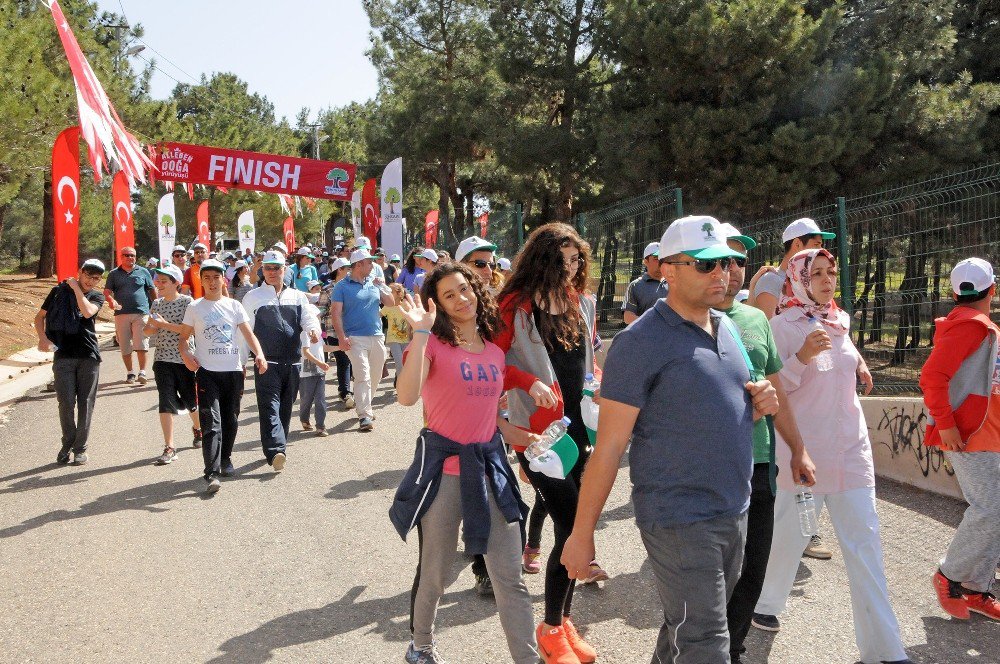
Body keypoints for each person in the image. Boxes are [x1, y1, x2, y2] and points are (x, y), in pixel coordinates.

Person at [560, 216, 780, 664]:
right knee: (704, 640)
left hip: (733, 508)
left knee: (684, 628)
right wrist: (582, 535)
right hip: (679, 517)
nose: (722, 273)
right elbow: (608, 450)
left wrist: (759, 401)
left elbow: (711, 403)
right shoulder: (638, 343)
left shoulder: (730, 327)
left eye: (726, 262)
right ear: (668, 269)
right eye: (705, 265)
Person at [750, 248, 912, 664]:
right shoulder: (781, 327)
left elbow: (841, 351)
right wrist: (801, 357)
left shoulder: (840, 320)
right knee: (790, 535)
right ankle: (765, 603)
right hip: (803, 452)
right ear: (799, 279)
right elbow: (775, 389)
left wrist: (858, 363)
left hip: (852, 451)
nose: (826, 280)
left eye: (831, 273)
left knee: (866, 546)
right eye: (816, 273)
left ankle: (885, 651)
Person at [390, 262, 545, 664]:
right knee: (437, 574)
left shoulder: (494, 353)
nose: (461, 299)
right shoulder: (432, 346)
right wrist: (420, 331)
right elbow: (406, 397)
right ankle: (420, 644)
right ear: (436, 305)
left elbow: (490, 421)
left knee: (510, 578)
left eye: (464, 289)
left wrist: (526, 440)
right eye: (448, 295)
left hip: (490, 471)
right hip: (444, 476)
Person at [495, 222, 606, 664]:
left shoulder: (583, 303)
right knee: (570, 525)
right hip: (539, 438)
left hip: (581, 430)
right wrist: (527, 380)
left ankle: (561, 620)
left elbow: (585, 363)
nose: (570, 267)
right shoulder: (514, 307)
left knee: (576, 528)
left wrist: (598, 386)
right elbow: (489, 364)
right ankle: (552, 628)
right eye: (561, 260)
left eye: (576, 259)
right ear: (541, 260)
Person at [715, 224, 817, 664]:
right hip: (706, 471)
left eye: (740, 261)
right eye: (722, 259)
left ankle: (733, 649)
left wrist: (798, 449)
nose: (733, 270)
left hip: (758, 465)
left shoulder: (756, 320)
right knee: (708, 579)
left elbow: (776, 391)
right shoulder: (672, 324)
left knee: (752, 572)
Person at [747, 216, 836, 562]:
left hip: (805, 379)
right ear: (797, 245)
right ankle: (793, 533)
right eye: (814, 242)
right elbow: (764, 330)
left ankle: (799, 530)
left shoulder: (796, 280)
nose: (820, 252)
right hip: (780, 375)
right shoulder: (773, 279)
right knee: (786, 454)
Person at [921, 257, 1000, 622]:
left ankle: (975, 587)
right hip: (970, 435)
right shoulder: (969, 327)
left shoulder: (980, 328)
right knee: (990, 509)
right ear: (993, 290)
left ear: (955, 292)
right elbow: (932, 377)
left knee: (996, 512)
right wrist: (947, 425)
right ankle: (950, 575)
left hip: (988, 432)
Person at [179, 259, 267, 493]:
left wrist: (259, 354)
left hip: (233, 371)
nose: (211, 282)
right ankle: (212, 472)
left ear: (223, 280)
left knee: (231, 419)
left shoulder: (234, 306)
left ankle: (226, 458)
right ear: (201, 280)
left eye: (215, 277)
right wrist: (186, 354)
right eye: (206, 277)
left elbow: (249, 334)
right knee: (211, 422)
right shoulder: (195, 307)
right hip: (207, 372)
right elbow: (184, 339)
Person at [242, 250, 321, 471]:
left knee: (286, 408)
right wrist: (241, 363)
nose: (272, 272)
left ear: (284, 269)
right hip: (266, 363)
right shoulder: (253, 297)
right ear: (262, 270)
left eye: (277, 267)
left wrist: (313, 330)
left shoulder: (297, 296)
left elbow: (308, 319)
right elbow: (244, 331)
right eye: (268, 267)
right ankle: (276, 450)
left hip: (293, 363)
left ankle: (279, 445)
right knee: (269, 407)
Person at [35, 259, 107, 466]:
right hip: (63, 356)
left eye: (96, 278)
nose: (91, 281)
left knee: (86, 404)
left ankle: (80, 449)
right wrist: (42, 338)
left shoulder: (96, 295)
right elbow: (39, 317)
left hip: (88, 356)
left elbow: (87, 312)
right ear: (80, 272)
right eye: (88, 276)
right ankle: (67, 443)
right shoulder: (58, 292)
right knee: (65, 403)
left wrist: (76, 288)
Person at [143, 264, 202, 463]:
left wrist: (161, 324)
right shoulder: (156, 304)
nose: (158, 284)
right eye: (157, 280)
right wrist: (149, 326)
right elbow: (149, 331)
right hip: (162, 360)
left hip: (184, 359)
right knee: (165, 401)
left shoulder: (188, 302)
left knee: (190, 401)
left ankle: (198, 428)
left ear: (175, 283)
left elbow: (190, 331)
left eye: (163, 281)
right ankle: (169, 447)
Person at [331, 248, 394, 431]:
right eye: (369, 262)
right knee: (363, 375)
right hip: (354, 338)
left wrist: (382, 285)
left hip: (376, 336)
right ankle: (364, 415)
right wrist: (341, 338)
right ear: (359, 265)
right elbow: (335, 314)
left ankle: (365, 405)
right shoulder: (341, 286)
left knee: (375, 376)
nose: (373, 265)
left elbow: (391, 302)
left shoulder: (374, 282)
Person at [103, 246, 156, 385]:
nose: (129, 257)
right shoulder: (114, 273)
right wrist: (111, 300)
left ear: (135, 257)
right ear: (121, 257)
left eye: (132, 255)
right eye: (126, 255)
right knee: (125, 344)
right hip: (121, 314)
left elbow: (151, 291)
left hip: (141, 312)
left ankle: (142, 372)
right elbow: (107, 291)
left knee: (141, 343)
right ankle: (130, 373)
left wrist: (156, 307)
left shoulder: (144, 271)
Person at [326, 257, 355, 408]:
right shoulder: (328, 290)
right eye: (347, 268)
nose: (350, 271)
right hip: (333, 332)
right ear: (339, 270)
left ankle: (346, 390)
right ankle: (345, 392)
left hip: (351, 330)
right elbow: (321, 309)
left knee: (350, 360)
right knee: (343, 361)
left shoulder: (352, 286)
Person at [299, 303, 331, 437]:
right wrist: (320, 363)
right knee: (306, 399)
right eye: (317, 316)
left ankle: (320, 426)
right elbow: (306, 352)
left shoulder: (318, 333)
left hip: (320, 371)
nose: (318, 319)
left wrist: (341, 347)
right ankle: (304, 418)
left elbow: (324, 348)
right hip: (306, 372)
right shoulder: (304, 333)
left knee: (320, 399)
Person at [622, 241, 667, 325]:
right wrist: (651, 324)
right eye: (656, 259)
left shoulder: (673, 284)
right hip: (645, 337)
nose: (660, 263)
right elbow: (628, 317)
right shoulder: (635, 286)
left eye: (663, 259)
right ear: (645, 262)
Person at [382, 283, 412, 386]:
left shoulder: (406, 305)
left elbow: (412, 318)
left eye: (391, 292)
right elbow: (377, 315)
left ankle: (398, 376)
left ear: (399, 293)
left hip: (406, 339)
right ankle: (401, 385)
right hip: (392, 339)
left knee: (405, 363)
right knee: (399, 363)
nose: (388, 294)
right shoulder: (388, 306)